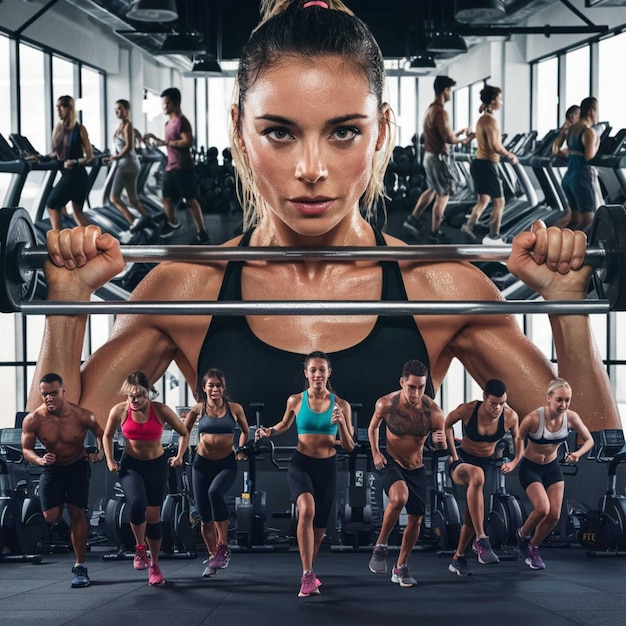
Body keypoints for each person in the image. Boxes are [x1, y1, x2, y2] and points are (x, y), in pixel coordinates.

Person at [30, 0, 620, 480]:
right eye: (280, 133)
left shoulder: (444, 286)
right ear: (239, 129)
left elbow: (591, 465)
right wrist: (65, 307)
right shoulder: (183, 287)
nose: (311, 168)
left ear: (382, 129)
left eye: (343, 132)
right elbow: (60, 449)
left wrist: (569, 310)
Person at [255, 351, 354, 597]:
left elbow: (350, 446)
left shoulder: (341, 405)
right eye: (313, 370)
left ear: (329, 373)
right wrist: (269, 431)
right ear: (306, 373)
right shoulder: (295, 400)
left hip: (327, 467)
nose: (318, 374)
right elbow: (284, 425)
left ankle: (309, 571)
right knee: (306, 509)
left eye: (322, 369)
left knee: (319, 529)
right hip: (301, 464)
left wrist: (341, 423)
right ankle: (307, 574)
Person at [103, 370, 189, 586]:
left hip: (157, 466)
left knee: (153, 516)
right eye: (131, 395)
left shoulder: (160, 410)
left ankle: (155, 565)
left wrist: (179, 456)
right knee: (137, 503)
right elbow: (106, 435)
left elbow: (184, 432)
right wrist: (110, 460)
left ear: (149, 393)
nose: (134, 399)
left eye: (140, 395)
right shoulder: (119, 411)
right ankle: (140, 548)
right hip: (131, 466)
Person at [367, 359, 446, 587]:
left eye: (421, 387)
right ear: (402, 382)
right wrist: (375, 453)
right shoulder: (386, 404)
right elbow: (373, 427)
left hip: (416, 466)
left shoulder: (434, 412)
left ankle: (400, 568)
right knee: (400, 497)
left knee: (416, 519)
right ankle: (381, 546)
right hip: (391, 461)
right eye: (412, 387)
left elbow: (438, 447)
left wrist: (439, 442)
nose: (416, 392)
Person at [21, 373, 104, 588]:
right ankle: (73, 532)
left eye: (53, 393)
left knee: (77, 513)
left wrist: (100, 454)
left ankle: (80, 565)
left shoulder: (82, 415)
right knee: (51, 517)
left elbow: (101, 434)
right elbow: (26, 449)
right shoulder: (33, 419)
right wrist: (39, 460)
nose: (49, 398)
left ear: (63, 391)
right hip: (52, 469)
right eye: (45, 394)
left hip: (77, 467)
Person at [509, 378, 594, 570]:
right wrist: (516, 459)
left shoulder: (571, 417)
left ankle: (533, 547)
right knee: (542, 509)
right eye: (559, 400)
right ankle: (522, 535)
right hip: (530, 468)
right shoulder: (533, 418)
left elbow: (589, 440)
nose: (563, 405)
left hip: (552, 467)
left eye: (567, 400)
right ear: (549, 398)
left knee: (554, 515)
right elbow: (519, 436)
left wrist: (577, 454)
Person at [177, 368, 250, 578]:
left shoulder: (234, 408)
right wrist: (181, 456)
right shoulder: (198, 410)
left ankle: (223, 547)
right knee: (205, 519)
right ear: (204, 388)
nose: (215, 389)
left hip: (226, 463)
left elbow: (245, 431)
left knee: (214, 493)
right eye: (211, 385)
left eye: (219, 385)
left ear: (223, 388)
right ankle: (213, 557)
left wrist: (241, 450)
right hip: (201, 464)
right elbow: (184, 432)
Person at [445, 379, 521, 576]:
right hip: (461, 462)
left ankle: (458, 558)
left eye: (501, 403)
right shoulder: (468, 410)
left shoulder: (511, 417)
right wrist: (453, 453)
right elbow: (447, 424)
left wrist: (513, 462)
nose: (497, 408)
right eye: (493, 403)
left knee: (471, 517)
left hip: (485, 465)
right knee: (476, 475)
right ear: (484, 398)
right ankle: (481, 538)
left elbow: (518, 439)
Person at [402, 75, 473, 243]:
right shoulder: (441, 111)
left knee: (433, 189)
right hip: (438, 158)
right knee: (443, 194)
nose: (450, 94)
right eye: (450, 91)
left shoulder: (430, 109)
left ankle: (412, 219)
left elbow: (442, 135)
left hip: (430, 156)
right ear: (445, 90)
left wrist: (458, 132)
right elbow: (448, 139)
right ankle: (434, 234)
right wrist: (466, 139)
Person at [143, 87, 209, 244]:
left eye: (166, 103)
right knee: (166, 198)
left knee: (190, 200)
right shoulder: (168, 123)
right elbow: (170, 143)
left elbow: (187, 142)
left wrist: (164, 142)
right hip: (171, 167)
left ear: (176, 103)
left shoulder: (181, 122)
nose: (164, 107)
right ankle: (174, 224)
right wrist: (156, 139)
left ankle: (202, 232)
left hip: (184, 167)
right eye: (163, 104)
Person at [461, 85, 518, 245]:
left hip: (479, 163)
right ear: (493, 101)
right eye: (500, 99)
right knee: (499, 202)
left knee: (483, 200)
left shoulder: (482, 118)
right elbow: (495, 145)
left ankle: (469, 225)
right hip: (487, 165)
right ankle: (494, 237)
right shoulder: (491, 120)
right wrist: (509, 155)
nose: (501, 102)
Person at [26, 95, 93, 230]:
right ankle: (94, 243)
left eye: (60, 107)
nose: (58, 111)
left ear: (69, 108)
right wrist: (40, 158)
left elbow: (89, 156)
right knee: (76, 213)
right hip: (67, 175)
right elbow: (55, 153)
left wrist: (75, 161)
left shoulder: (80, 129)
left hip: (77, 176)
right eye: (56, 107)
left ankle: (58, 240)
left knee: (52, 204)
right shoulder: (58, 128)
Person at [554, 97, 601, 232]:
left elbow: (557, 149)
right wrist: (597, 142)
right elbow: (589, 157)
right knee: (587, 221)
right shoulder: (588, 131)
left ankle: (550, 241)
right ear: (592, 112)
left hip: (569, 177)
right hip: (581, 177)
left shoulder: (572, 129)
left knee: (573, 220)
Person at [108, 99, 153, 239]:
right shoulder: (121, 126)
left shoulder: (128, 125)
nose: (117, 112)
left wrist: (116, 157)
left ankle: (134, 223)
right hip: (128, 164)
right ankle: (147, 219)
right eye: (116, 109)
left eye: (120, 109)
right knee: (133, 199)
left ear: (127, 110)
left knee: (114, 197)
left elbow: (128, 146)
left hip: (126, 164)